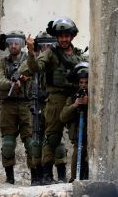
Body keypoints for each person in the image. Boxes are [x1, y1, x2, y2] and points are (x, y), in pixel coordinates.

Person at [25, 17, 88, 184]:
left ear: (72, 36)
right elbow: (35, 68)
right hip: (56, 99)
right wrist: (31, 52)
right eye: (60, 36)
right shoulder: (50, 54)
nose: (64, 39)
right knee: (53, 137)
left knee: (78, 138)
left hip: (76, 98)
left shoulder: (79, 55)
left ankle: (77, 177)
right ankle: (46, 175)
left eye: (67, 36)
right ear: (57, 37)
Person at [27, 31, 68, 185]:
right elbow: (27, 70)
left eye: (49, 46)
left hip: (52, 104)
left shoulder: (59, 60)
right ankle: (38, 176)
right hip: (37, 105)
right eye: (43, 46)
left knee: (56, 140)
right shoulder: (34, 60)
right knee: (36, 141)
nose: (46, 49)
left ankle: (61, 175)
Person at [0, 30, 34, 184]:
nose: (13, 46)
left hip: (27, 104)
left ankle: (35, 177)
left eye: (16, 43)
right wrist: (11, 84)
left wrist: (24, 79)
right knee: (8, 144)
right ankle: (9, 177)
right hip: (8, 106)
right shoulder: (3, 63)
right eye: (10, 43)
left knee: (31, 143)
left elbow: (34, 70)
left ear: (22, 44)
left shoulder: (28, 60)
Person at [60, 62, 89, 182]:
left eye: (86, 83)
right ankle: (74, 180)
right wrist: (75, 105)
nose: (83, 86)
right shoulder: (73, 98)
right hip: (78, 138)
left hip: (91, 138)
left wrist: (89, 104)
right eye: (81, 83)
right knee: (78, 154)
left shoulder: (97, 97)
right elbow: (63, 117)